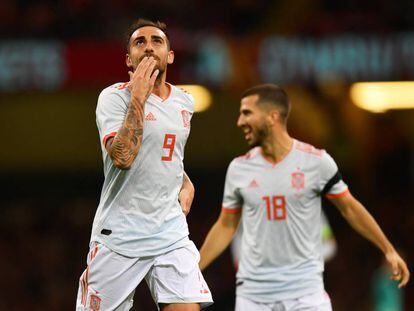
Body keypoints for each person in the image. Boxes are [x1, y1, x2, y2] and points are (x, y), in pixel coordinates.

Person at [199, 84, 409, 310]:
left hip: (305, 295)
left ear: (272, 117)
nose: (240, 121)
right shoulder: (240, 169)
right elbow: (226, 225)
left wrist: (387, 249)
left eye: (247, 113)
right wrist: (193, 270)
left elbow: (349, 208)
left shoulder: (316, 162)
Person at [76, 19, 213, 311]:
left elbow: (166, 151)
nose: (148, 46)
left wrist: (183, 178)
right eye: (140, 42)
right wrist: (138, 97)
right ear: (129, 58)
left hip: (169, 233)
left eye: (157, 41)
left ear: (170, 55)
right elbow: (123, 157)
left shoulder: (184, 101)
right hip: (120, 236)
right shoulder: (114, 98)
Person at [230, 211, 337, 270]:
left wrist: (302, 260)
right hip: (263, 287)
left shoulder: (309, 206)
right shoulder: (250, 208)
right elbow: (239, 260)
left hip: (304, 284)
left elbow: (329, 246)